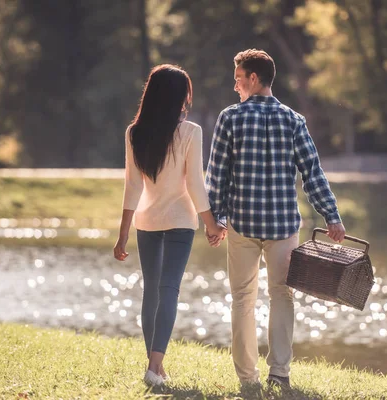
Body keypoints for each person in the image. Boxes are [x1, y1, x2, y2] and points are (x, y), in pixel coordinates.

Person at [205, 49, 346, 389]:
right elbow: (313, 174)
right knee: (282, 296)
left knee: (243, 299)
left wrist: (216, 220)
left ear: (254, 79)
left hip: (242, 225)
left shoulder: (230, 118)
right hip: (283, 227)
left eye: (239, 79)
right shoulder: (294, 120)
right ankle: (279, 374)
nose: (236, 86)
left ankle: (248, 379)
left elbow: (217, 176)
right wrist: (332, 217)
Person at [113, 64, 226, 386]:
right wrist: (212, 224)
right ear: (180, 97)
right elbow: (195, 184)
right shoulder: (190, 132)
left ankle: (155, 366)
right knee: (168, 290)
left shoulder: (135, 132)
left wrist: (123, 234)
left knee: (152, 291)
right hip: (179, 221)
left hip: (146, 220)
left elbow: (132, 186)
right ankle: (154, 366)